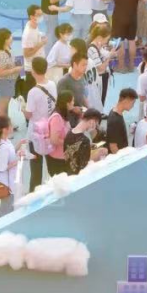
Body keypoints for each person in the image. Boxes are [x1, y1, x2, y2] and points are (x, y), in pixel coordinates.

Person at [108, 0, 147, 71]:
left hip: (119, 16)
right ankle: (131, 65)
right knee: (131, 41)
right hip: (132, 16)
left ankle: (121, 66)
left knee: (119, 41)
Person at [24, 57, 57, 192]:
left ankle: (34, 194)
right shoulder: (52, 85)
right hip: (50, 129)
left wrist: (23, 108)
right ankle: (55, 189)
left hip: (36, 134)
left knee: (36, 168)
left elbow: (29, 114)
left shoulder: (33, 92)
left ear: (33, 71)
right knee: (52, 165)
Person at [0, 116, 25, 217]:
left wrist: (19, 145)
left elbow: (10, 155)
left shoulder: (6, 141)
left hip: (10, 182)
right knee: (6, 211)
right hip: (8, 184)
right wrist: (17, 161)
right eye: (10, 125)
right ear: (4, 129)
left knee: (8, 208)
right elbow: (2, 167)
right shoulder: (3, 147)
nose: (12, 126)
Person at [64, 108, 106, 175]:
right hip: (79, 176)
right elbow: (84, 166)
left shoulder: (69, 133)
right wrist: (98, 154)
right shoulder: (84, 140)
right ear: (92, 122)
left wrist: (88, 147)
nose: (95, 128)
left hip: (69, 173)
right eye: (96, 125)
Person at [0, 27, 23, 120]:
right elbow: (0, 73)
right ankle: (0, 124)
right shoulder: (1, 54)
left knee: (6, 104)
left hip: (10, 81)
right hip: (6, 82)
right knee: (2, 105)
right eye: (9, 37)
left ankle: (5, 120)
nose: (11, 38)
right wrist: (15, 70)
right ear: (4, 40)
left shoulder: (7, 49)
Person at [21, 5, 48, 100]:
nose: (41, 16)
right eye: (38, 15)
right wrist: (41, 44)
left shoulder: (34, 25)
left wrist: (40, 36)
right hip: (32, 70)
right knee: (31, 96)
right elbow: (26, 54)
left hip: (38, 65)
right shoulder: (28, 33)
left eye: (41, 14)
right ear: (32, 16)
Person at [46, 91, 74, 177]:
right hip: (57, 160)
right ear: (67, 103)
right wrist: (69, 142)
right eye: (72, 101)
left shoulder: (63, 115)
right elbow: (54, 140)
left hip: (63, 157)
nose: (74, 103)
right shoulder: (56, 118)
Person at [86, 24, 113, 109]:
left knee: (101, 100)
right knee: (99, 101)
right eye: (107, 39)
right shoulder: (92, 49)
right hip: (99, 78)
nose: (107, 41)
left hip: (102, 77)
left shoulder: (98, 46)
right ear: (100, 37)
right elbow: (101, 67)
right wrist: (109, 57)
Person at [56, 52, 89, 121]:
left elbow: (82, 94)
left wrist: (89, 109)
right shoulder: (64, 81)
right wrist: (73, 109)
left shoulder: (82, 77)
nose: (85, 67)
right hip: (67, 120)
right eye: (83, 65)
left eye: (86, 65)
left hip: (79, 118)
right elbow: (60, 103)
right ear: (74, 64)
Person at [105, 88, 137, 154]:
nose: (133, 106)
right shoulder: (114, 120)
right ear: (126, 101)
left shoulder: (116, 112)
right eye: (133, 103)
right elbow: (113, 146)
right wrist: (122, 158)